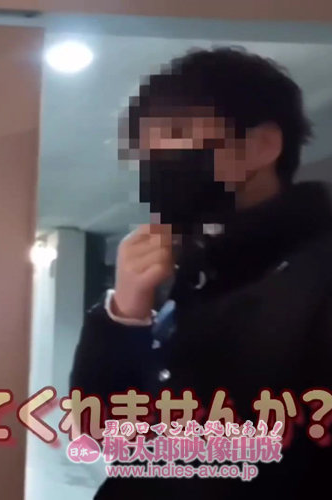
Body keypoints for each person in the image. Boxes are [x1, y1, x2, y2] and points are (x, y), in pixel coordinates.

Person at [71, 47, 332, 499]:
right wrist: (124, 316)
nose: (156, 162)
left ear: (261, 146)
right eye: (143, 151)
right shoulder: (190, 267)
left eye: (175, 134)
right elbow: (101, 430)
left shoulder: (315, 273)